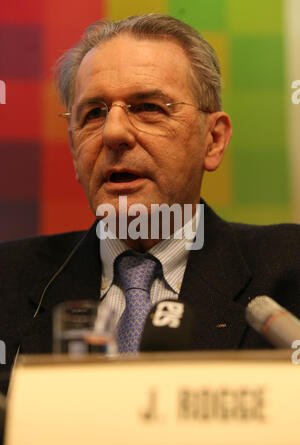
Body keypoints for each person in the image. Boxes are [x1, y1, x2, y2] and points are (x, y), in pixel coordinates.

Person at [1, 14, 300, 395]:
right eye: (94, 113)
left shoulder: (289, 273)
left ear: (213, 140)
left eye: (147, 107)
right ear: (76, 148)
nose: (113, 133)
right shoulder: (7, 281)